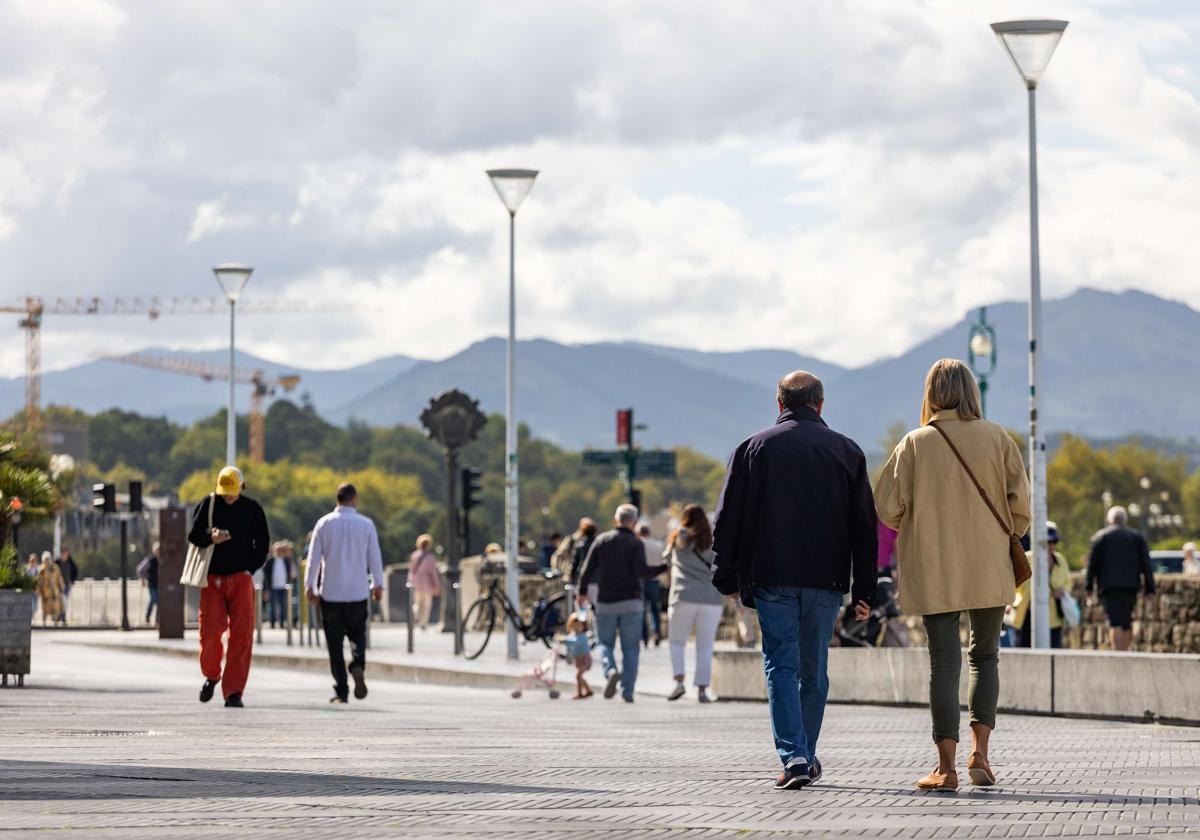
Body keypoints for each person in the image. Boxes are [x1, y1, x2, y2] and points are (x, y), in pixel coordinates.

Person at [713, 370, 877, 790]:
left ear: (779, 403)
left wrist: (725, 574)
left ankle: (795, 755)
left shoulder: (753, 449)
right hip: (826, 580)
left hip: (772, 577)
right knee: (814, 669)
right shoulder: (847, 452)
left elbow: (727, 519)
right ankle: (805, 750)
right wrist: (865, 590)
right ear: (821, 405)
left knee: (780, 665)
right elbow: (864, 528)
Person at [874, 359, 1030, 792]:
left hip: (933, 563)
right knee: (986, 657)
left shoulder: (915, 442)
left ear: (931, 393)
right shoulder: (998, 437)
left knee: (944, 662)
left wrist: (921, 519)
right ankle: (980, 753)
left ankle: (945, 769)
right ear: (971, 391)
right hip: (988, 562)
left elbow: (885, 507)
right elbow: (1021, 511)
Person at [187, 465, 271, 708]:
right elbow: (193, 536)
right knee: (210, 632)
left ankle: (234, 691)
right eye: (225, 492)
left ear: (241, 488)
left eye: (232, 492)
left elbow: (263, 543)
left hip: (241, 578)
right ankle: (212, 675)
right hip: (213, 578)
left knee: (242, 636)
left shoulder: (252, 509)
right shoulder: (209, 503)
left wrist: (250, 569)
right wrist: (210, 537)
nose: (228, 496)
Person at [576, 504, 668, 703]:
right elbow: (641, 572)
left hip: (606, 601)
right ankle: (627, 691)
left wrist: (582, 592)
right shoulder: (636, 544)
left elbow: (587, 569)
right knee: (631, 649)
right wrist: (662, 567)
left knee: (605, 643)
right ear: (634, 522)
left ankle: (610, 671)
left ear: (616, 520)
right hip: (631, 602)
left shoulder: (602, 540)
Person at [305, 483, 385, 704]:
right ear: (354, 499)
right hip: (358, 592)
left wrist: (309, 585)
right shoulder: (366, 524)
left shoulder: (324, 524)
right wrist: (379, 585)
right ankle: (357, 665)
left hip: (331, 593)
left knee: (334, 644)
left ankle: (341, 690)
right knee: (358, 636)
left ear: (338, 499)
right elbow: (374, 558)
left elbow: (313, 559)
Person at [665, 504, 723, 703]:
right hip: (711, 598)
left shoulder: (678, 537)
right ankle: (701, 689)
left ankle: (679, 682)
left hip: (683, 595)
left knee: (677, 642)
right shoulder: (712, 538)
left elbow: (665, 559)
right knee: (705, 646)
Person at [1085, 506, 1155, 652]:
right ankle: (1125, 652)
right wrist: (1150, 588)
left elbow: (1092, 564)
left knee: (1114, 621)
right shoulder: (1137, 537)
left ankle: (1117, 653)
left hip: (1108, 586)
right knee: (1126, 621)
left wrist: (1089, 587)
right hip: (1131, 586)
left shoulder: (1101, 537)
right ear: (1124, 520)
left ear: (1110, 520)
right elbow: (1146, 564)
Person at [1010, 523, 1070, 648]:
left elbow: (1067, 583)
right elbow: (1014, 583)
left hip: (1053, 617)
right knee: (1024, 650)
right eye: (1047, 542)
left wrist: (1062, 591)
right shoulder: (1026, 558)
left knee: (1054, 648)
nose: (1050, 545)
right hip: (1026, 614)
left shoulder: (1060, 560)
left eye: (1053, 542)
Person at [637, 523, 665, 648]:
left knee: (641, 610)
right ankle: (656, 632)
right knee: (655, 609)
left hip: (641, 580)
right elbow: (663, 562)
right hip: (655, 580)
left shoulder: (637, 544)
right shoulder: (658, 545)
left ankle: (644, 637)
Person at [408, 534, 441, 631]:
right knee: (426, 605)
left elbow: (411, 570)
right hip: (427, 584)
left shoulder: (414, 555)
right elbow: (433, 573)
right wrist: (437, 586)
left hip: (416, 583)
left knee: (417, 603)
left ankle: (416, 617)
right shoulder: (430, 557)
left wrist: (410, 581)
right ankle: (423, 623)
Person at [553, 518, 597, 588]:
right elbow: (558, 555)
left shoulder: (594, 542)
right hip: (571, 577)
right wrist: (556, 571)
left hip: (589, 579)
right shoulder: (572, 540)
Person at [262, 540, 297, 629]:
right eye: (277, 550)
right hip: (273, 587)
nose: (279, 552)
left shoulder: (286, 561)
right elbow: (265, 575)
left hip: (284, 587)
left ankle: (282, 623)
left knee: (283, 606)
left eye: (281, 550)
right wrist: (265, 588)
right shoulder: (270, 562)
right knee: (272, 606)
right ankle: (272, 623)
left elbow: (290, 573)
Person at [564, 609, 593, 699]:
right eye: (575, 625)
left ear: (583, 626)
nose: (577, 627)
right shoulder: (574, 634)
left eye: (579, 625)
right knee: (579, 676)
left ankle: (580, 692)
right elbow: (570, 638)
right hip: (578, 658)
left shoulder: (583, 636)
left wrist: (564, 640)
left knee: (578, 675)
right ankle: (587, 690)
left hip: (585, 659)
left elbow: (575, 642)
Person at [36, 552, 65, 627]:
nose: (47, 561)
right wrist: (38, 590)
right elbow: (39, 581)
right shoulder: (41, 570)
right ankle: (44, 621)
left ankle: (55, 621)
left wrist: (62, 587)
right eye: (46, 560)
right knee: (45, 607)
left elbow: (59, 578)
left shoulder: (55, 568)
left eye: (48, 559)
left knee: (55, 607)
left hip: (54, 591)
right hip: (45, 592)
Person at [137, 542, 161, 624]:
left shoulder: (163, 560)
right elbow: (140, 569)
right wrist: (142, 579)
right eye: (158, 550)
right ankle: (148, 616)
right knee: (155, 599)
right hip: (152, 584)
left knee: (158, 601)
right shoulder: (150, 560)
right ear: (155, 551)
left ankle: (157, 618)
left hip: (160, 585)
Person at [55, 547, 79, 624]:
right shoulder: (57, 562)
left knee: (65, 601)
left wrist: (72, 581)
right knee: (58, 601)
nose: (65, 554)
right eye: (64, 553)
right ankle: (58, 616)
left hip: (66, 585)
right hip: (58, 585)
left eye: (66, 553)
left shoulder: (70, 562)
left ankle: (63, 617)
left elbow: (75, 571)